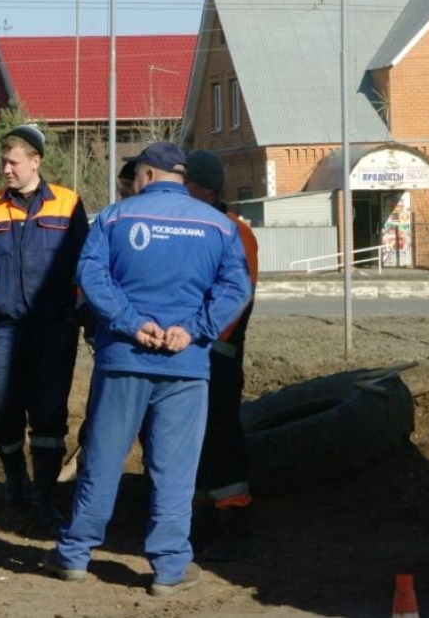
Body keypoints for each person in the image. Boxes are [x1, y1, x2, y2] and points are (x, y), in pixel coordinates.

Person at [43, 141, 252, 597]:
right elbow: (238, 288)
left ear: (150, 175)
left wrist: (132, 324)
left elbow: (91, 277)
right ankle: (170, 568)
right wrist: (196, 330)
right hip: (187, 364)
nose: (133, 181)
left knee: (102, 458)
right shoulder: (219, 226)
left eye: (137, 174)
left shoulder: (116, 218)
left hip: (124, 359)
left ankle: (76, 554)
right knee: (175, 469)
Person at [0, 124, 89, 533]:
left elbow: (86, 264)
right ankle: (15, 479)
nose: (6, 170)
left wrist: (79, 310)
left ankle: (45, 498)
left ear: (36, 162)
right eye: (3, 162)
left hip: (54, 327)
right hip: (9, 327)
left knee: (49, 413)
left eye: (13, 162)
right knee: (1, 404)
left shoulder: (68, 204)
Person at [183, 150, 259, 561]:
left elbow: (237, 295)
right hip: (195, 350)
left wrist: (204, 337)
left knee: (220, 435)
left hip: (217, 356)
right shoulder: (192, 224)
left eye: (187, 182)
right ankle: (200, 517)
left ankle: (234, 522)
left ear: (206, 188)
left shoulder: (234, 231)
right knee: (192, 439)